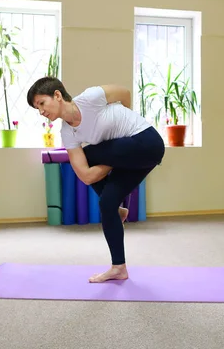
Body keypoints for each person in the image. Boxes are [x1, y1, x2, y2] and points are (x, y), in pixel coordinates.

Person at [27, 76, 165, 283]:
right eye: (36, 108)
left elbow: (125, 94)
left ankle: (117, 209)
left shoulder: (91, 97)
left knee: (88, 155)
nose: (41, 112)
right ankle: (119, 267)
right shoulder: (68, 133)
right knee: (106, 204)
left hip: (147, 142)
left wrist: (125, 127)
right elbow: (84, 175)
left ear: (57, 95)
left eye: (41, 103)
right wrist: (115, 157)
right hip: (133, 159)